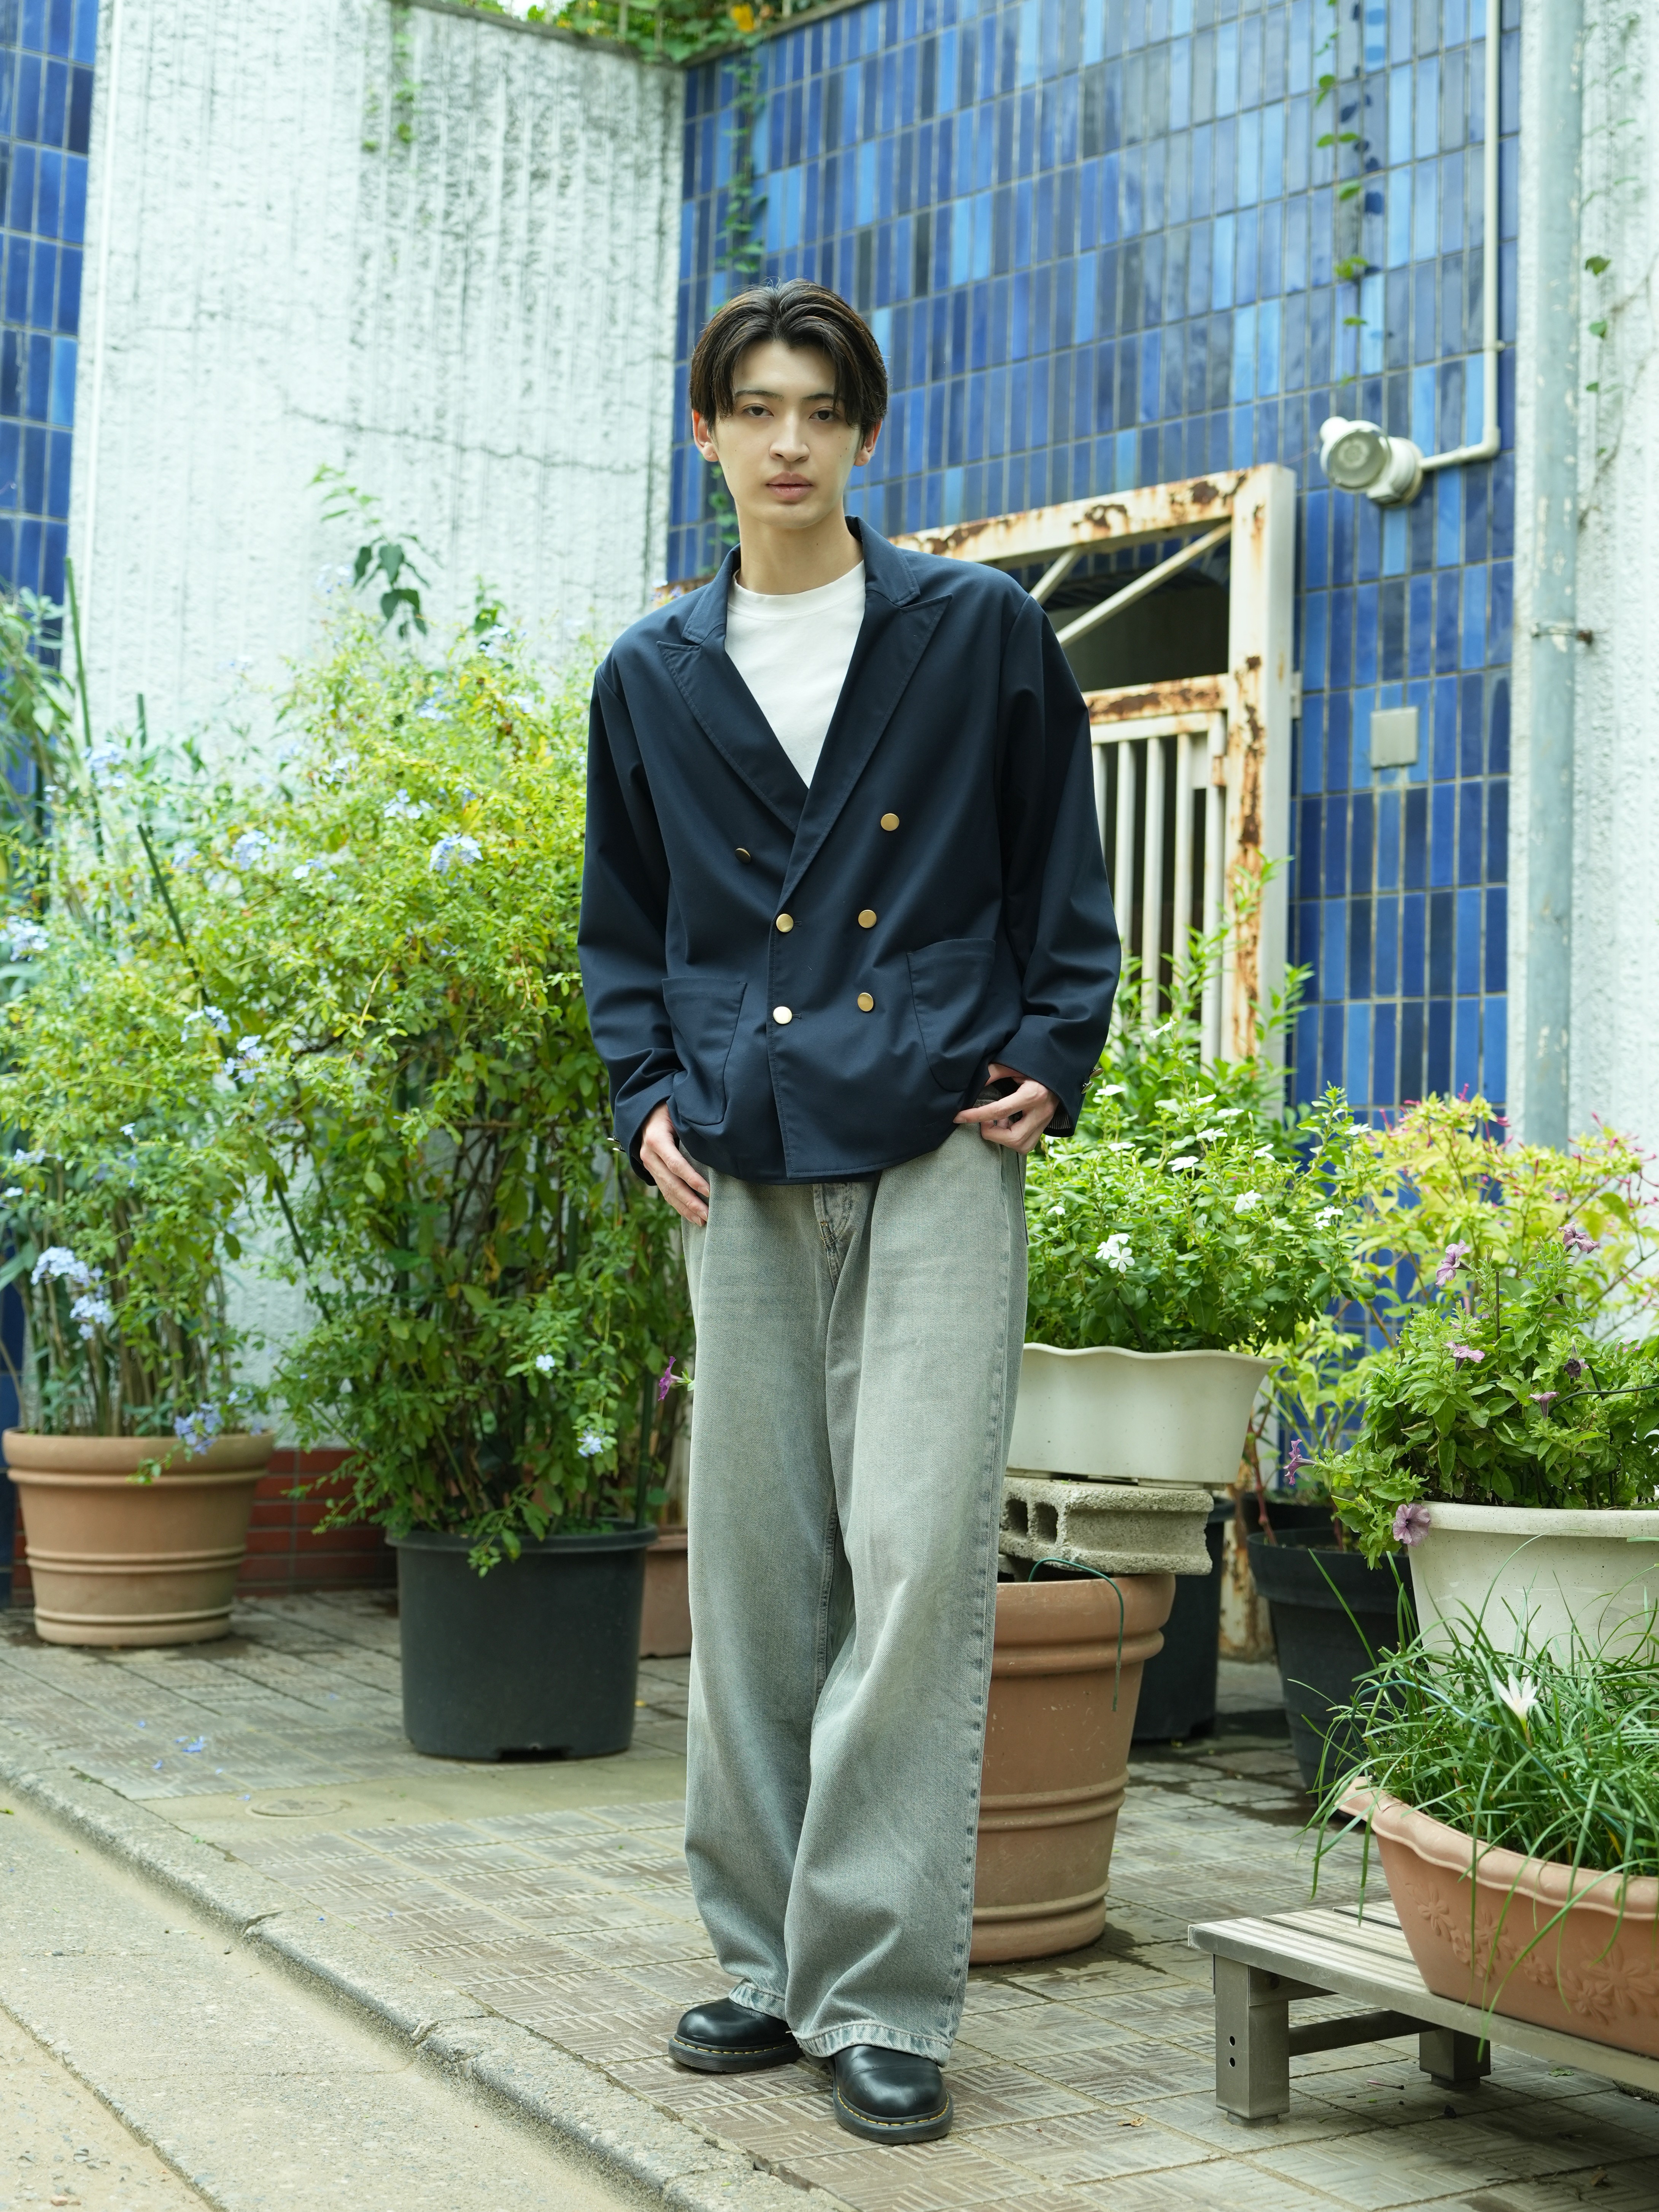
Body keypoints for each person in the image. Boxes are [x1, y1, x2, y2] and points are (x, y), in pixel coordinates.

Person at [578, 279, 1119, 2144]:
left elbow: (1057, 868)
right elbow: (625, 921)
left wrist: (1053, 1045)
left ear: (865, 434)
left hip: (937, 1132)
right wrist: (644, 1091)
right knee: (750, 1575)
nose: (789, 439)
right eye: (756, 407)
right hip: (742, 1145)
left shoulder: (974, 629)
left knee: (911, 1559)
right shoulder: (651, 670)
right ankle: (757, 1959)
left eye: (820, 408)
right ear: (708, 434)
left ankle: (879, 1988)